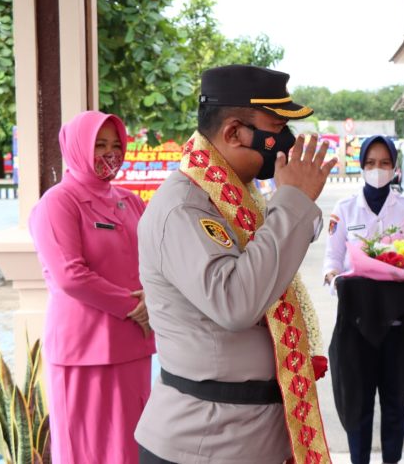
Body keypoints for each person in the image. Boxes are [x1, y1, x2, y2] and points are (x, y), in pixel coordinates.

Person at [135, 64, 337, 464]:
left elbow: (272, 261)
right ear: (233, 132)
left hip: (249, 438)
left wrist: (292, 204)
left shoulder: (238, 197)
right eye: (276, 127)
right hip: (205, 444)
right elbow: (236, 303)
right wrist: (293, 201)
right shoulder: (184, 207)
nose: (286, 141)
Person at [29, 111, 155, 464]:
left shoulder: (130, 201)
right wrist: (136, 307)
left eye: (117, 145)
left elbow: (155, 259)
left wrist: (154, 296)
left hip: (132, 343)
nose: (110, 153)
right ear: (77, 147)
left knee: (130, 449)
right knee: (87, 450)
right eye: (100, 144)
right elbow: (70, 275)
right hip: (83, 348)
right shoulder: (58, 202)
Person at [323, 135, 404, 464]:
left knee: (396, 403)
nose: (377, 170)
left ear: (395, 168)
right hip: (357, 322)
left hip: (400, 322)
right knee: (358, 403)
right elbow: (332, 260)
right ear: (361, 166)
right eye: (370, 163)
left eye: (384, 163)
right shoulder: (344, 209)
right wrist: (337, 282)